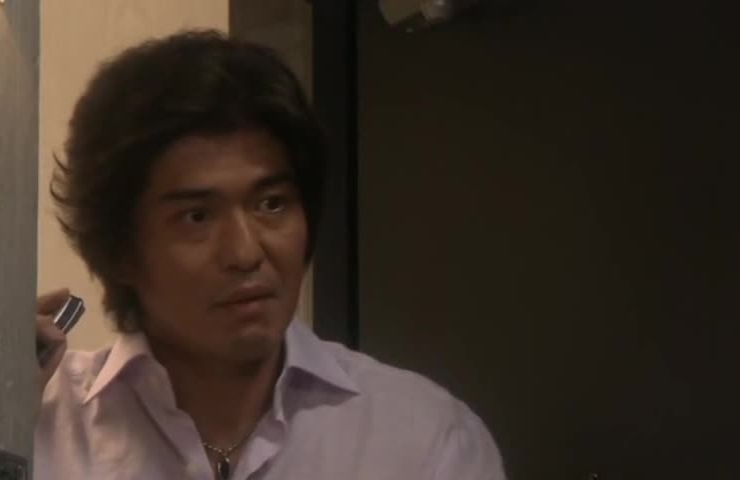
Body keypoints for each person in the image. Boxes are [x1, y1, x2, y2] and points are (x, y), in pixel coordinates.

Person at [34, 30, 505, 480]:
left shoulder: (423, 440)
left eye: (272, 204)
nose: (245, 253)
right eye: (197, 217)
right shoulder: (43, 422)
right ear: (121, 251)